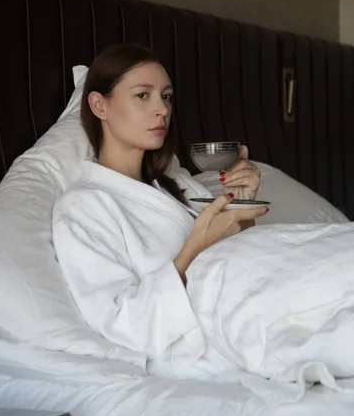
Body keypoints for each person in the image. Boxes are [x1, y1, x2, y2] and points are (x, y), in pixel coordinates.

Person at [52, 44, 268, 357]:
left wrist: (241, 204)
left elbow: (244, 262)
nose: (163, 110)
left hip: (253, 304)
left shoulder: (177, 185)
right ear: (99, 106)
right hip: (213, 341)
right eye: (143, 95)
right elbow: (125, 324)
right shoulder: (83, 207)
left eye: (166, 96)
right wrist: (194, 249)